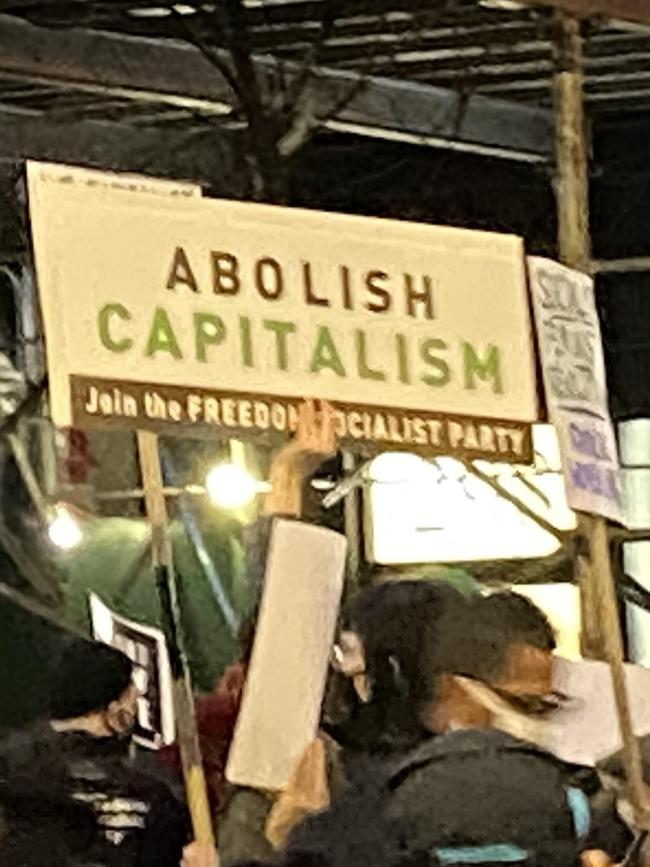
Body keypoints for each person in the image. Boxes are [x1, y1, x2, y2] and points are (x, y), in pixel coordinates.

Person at [0, 639, 187, 866]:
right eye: (130, 694)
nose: (136, 700)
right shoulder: (150, 794)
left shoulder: (11, 765)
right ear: (114, 710)